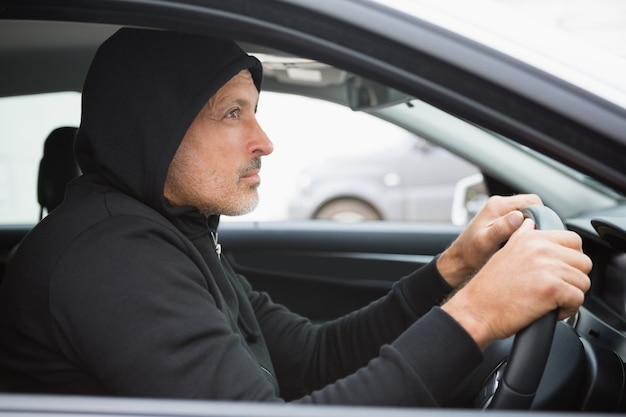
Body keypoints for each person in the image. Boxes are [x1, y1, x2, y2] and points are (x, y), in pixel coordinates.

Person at [0, 28, 591, 406]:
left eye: (254, 112)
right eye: (233, 113)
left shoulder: (174, 229)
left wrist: (452, 271)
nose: (264, 141)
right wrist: (479, 316)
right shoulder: (111, 257)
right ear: (153, 130)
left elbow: (310, 358)